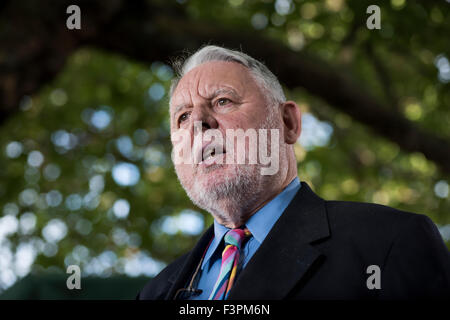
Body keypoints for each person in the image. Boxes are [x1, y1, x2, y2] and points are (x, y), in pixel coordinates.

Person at [137, 45, 450, 300]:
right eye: (182, 117)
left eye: (222, 101)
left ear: (287, 123)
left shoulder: (389, 244)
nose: (199, 123)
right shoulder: (153, 293)